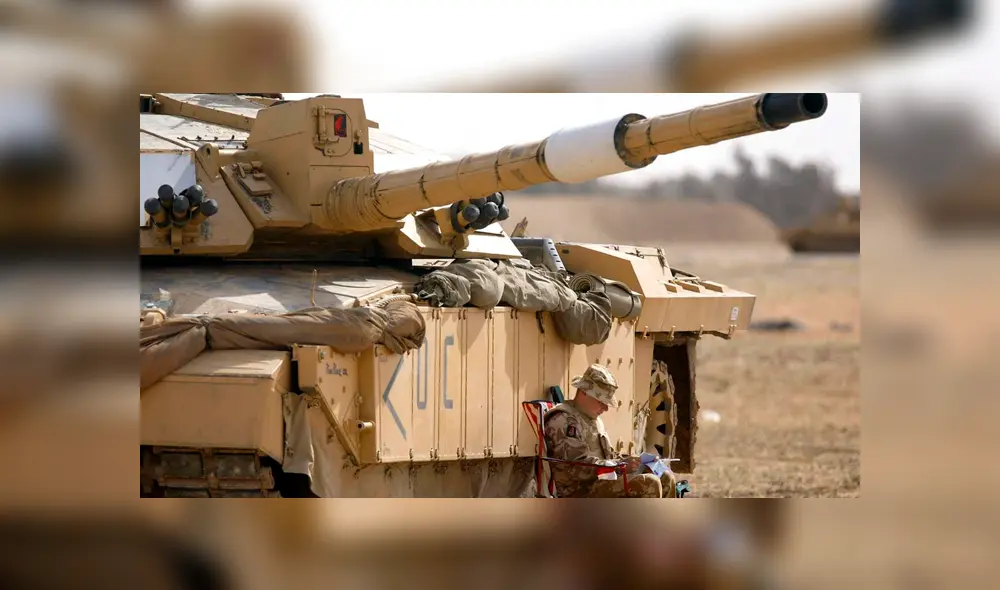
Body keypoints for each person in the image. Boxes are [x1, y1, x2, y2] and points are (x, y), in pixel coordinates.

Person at [543, 363, 678, 498]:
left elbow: (608, 456)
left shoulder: (593, 420)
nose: (606, 408)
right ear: (584, 392)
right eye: (601, 401)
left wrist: (635, 462)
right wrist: (618, 466)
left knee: (665, 477)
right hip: (579, 492)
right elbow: (576, 467)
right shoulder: (564, 420)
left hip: (602, 482)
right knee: (649, 483)